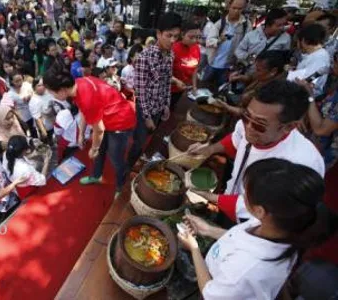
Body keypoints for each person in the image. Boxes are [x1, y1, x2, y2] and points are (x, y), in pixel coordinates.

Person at [178, 159, 331, 300]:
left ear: (260, 210)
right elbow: (243, 241)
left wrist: (194, 248)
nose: (242, 195)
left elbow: (209, 292)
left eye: (246, 192)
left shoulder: (248, 269)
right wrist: (209, 230)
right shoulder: (279, 226)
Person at [190, 80, 325, 222]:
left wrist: (213, 198)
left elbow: (273, 211)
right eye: (245, 116)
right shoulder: (251, 122)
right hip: (231, 196)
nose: (248, 127)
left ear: (289, 127)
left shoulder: (303, 163)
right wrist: (209, 149)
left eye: (259, 125)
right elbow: (236, 140)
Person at [44, 64, 136, 199]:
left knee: (115, 158)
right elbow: (83, 111)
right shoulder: (78, 84)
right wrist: (81, 133)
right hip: (106, 118)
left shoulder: (86, 98)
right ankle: (96, 176)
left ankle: (121, 186)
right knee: (100, 151)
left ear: (62, 90)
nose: (51, 96)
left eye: (51, 92)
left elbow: (99, 130)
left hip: (119, 122)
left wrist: (94, 148)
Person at [127, 12, 181, 168]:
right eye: (168, 35)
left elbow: (166, 82)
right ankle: (129, 165)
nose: (172, 40)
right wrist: (147, 117)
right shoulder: (145, 57)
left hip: (159, 106)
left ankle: (141, 155)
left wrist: (166, 105)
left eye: (176, 36)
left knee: (151, 136)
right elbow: (140, 92)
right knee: (139, 140)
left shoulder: (170, 54)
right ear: (158, 34)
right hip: (146, 109)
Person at [222, 50, 288, 114]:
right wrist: (239, 77)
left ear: (273, 71)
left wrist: (227, 107)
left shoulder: (275, 91)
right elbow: (251, 77)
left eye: (258, 70)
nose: (255, 72)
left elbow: (250, 114)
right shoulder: (266, 74)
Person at [204, 0, 251, 87]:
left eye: (239, 9)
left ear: (244, 8)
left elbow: (247, 46)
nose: (236, 11)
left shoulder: (246, 25)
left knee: (220, 91)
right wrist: (219, 40)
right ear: (229, 6)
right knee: (204, 88)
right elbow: (208, 42)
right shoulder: (220, 23)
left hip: (229, 67)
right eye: (234, 8)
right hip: (213, 63)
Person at [291, 23, 330, 97]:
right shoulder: (314, 54)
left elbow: (305, 82)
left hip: (302, 96)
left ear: (303, 40)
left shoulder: (320, 57)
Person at [171, 21, 202, 106]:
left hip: (184, 88)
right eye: (191, 37)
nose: (195, 40)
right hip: (170, 89)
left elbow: (195, 69)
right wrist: (176, 82)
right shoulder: (173, 48)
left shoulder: (197, 49)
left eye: (198, 37)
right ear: (182, 35)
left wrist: (194, 86)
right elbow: (164, 72)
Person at [2, 72, 35, 136]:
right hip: (22, 116)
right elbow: (11, 108)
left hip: (32, 112)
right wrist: (20, 119)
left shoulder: (27, 85)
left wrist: (30, 96)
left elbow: (34, 92)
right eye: (16, 81)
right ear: (12, 82)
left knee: (34, 130)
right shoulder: (10, 94)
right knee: (25, 132)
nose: (20, 83)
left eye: (20, 80)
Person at [29, 77, 55, 144]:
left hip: (54, 122)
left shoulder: (49, 92)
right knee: (47, 143)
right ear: (34, 87)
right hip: (45, 126)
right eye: (39, 85)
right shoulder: (34, 100)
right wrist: (43, 131)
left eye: (43, 85)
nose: (42, 87)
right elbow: (37, 118)